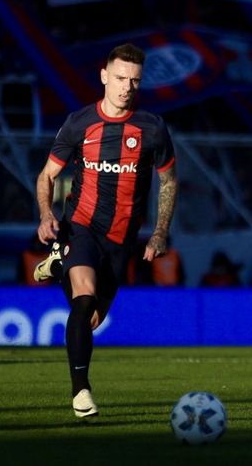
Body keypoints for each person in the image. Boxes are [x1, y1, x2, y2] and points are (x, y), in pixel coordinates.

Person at [33, 43, 178, 419]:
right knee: (83, 299)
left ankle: (57, 264)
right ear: (103, 77)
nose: (126, 86)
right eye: (119, 78)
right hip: (80, 226)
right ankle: (81, 391)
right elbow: (48, 175)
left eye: (134, 80)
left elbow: (169, 182)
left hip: (122, 239)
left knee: (93, 318)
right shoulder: (80, 123)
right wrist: (46, 214)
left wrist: (160, 232)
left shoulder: (153, 128)